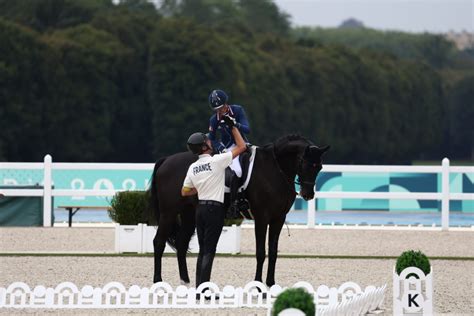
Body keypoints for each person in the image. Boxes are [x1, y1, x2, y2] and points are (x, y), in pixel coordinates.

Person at [181, 115, 247, 288]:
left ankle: (199, 287)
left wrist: (200, 188)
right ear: (204, 147)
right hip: (214, 210)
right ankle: (204, 289)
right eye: (207, 141)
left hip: (200, 209)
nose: (210, 142)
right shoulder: (216, 161)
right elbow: (242, 147)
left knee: (202, 251)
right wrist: (233, 127)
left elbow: (184, 191)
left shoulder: (193, 167)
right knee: (210, 251)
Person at [207, 89, 250, 214]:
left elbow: (247, 129)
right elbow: (212, 138)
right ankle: (234, 203)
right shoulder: (214, 120)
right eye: (217, 109)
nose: (220, 111)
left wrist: (236, 124)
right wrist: (221, 149)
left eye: (221, 108)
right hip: (229, 148)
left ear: (226, 104)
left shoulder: (237, 110)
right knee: (237, 170)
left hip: (244, 143)